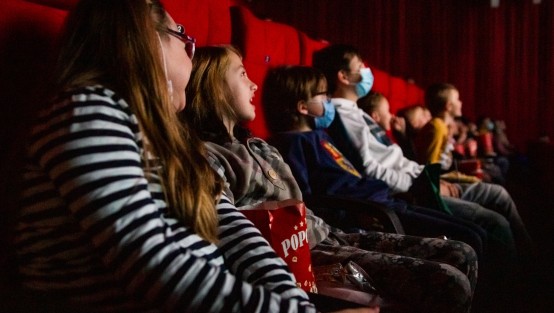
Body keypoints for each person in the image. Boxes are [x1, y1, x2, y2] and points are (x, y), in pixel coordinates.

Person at [10, 1, 327, 312]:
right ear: (146, 39)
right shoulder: (89, 112)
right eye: (183, 38)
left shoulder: (173, 139)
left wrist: (295, 302)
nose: (192, 53)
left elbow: (234, 231)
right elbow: (149, 262)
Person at [182, 45, 478, 313]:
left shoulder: (261, 146)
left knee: (464, 253)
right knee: (451, 282)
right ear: (214, 87)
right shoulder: (206, 156)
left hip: (328, 232)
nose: (254, 83)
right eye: (243, 74)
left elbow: (301, 201)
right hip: (304, 256)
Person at [313, 44, 533, 262]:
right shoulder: (343, 116)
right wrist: (422, 183)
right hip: (409, 191)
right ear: (343, 76)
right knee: (493, 221)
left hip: (419, 181)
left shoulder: (356, 112)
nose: (366, 71)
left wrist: (428, 177)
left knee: (495, 199)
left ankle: (526, 261)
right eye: (360, 66)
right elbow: (368, 168)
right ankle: (522, 276)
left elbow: (394, 158)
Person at [413, 82, 533, 259]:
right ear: (448, 106)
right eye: (457, 99)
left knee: (497, 190)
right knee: (498, 195)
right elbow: (429, 168)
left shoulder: (441, 126)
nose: (461, 103)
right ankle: (526, 254)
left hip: (443, 182)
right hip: (438, 190)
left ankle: (523, 248)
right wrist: (466, 179)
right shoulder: (437, 127)